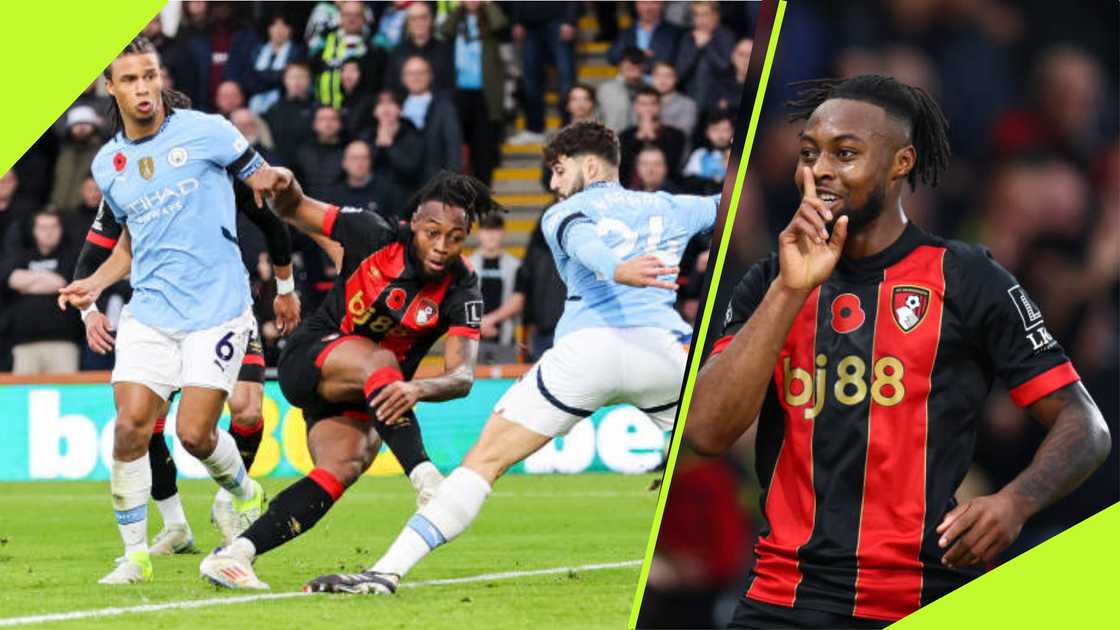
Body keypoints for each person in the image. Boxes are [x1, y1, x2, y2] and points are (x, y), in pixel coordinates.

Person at [683, 75, 1111, 628]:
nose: (820, 171)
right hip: (780, 602)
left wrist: (1015, 502)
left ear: (900, 163)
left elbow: (1085, 425)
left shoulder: (969, 278)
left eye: (846, 153)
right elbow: (705, 432)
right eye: (809, 153)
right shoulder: (769, 281)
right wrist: (791, 289)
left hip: (921, 600)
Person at [303, 120, 718, 595]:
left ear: (587, 165)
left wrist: (616, 268)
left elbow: (586, 242)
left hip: (590, 352)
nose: (554, 184)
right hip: (666, 354)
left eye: (559, 171)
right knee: (723, 462)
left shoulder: (563, 213)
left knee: (483, 463)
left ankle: (385, 572)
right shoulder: (670, 206)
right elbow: (731, 204)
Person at [55, 36, 294, 585]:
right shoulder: (108, 162)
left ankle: (245, 491)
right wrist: (89, 284)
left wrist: (273, 180)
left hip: (217, 308)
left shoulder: (208, 130)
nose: (143, 88)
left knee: (193, 435)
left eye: (150, 76)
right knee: (130, 427)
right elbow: (127, 247)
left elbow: (260, 184)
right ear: (109, 88)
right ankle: (135, 555)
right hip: (151, 311)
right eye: (131, 80)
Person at [199, 170, 499, 590]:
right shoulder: (371, 234)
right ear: (415, 223)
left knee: (342, 468)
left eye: (455, 237)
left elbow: (462, 376)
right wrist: (286, 183)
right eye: (434, 232)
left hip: (371, 393)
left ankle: (236, 555)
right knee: (379, 357)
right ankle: (427, 480)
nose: (442, 246)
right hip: (312, 356)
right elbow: (294, 209)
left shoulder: (463, 287)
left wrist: (418, 388)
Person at [1, 211, 81, 374]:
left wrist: (27, 283)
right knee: (22, 397)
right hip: (24, 344)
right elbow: (11, 279)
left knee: (65, 396)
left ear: (61, 229)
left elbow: (61, 284)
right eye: (43, 227)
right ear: (34, 230)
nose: (49, 232)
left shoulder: (73, 257)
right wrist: (49, 279)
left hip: (63, 343)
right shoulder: (21, 255)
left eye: (53, 227)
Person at [441, 0, 508, 186]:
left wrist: (488, 4)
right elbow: (444, 30)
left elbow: (500, 23)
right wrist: (459, 8)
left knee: (483, 148)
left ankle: (482, 189)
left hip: (484, 93)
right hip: (459, 92)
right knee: (457, 143)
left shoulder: (489, 19)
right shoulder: (458, 20)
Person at [506, 1, 579, 145]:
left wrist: (570, 20)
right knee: (530, 81)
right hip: (528, 25)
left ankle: (568, 128)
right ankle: (535, 129)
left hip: (558, 20)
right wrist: (516, 20)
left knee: (566, 79)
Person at [357, 90, 424, 219]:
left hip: (405, 201)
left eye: (391, 103)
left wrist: (389, 146)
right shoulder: (366, 136)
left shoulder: (413, 136)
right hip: (371, 200)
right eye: (381, 103)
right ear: (374, 111)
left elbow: (411, 169)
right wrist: (378, 146)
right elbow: (360, 168)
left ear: (400, 110)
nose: (386, 107)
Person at [400, 55, 463, 182]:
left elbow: (453, 147)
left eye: (421, 73)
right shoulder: (396, 106)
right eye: (411, 73)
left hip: (435, 182)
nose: (416, 77)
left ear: (430, 76)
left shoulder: (444, 106)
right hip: (401, 184)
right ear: (403, 78)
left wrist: (450, 182)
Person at [469, 214, 520, 362]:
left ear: (503, 233)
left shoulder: (515, 266)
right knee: (473, 385)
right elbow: (460, 301)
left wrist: (489, 320)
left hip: (504, 340)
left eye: (495, 230)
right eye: (486, 230)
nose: (491, 235)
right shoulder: (467, 265)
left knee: (507, 385)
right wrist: (479, 324)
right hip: (473, 341)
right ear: (479, 234)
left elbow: (518, 301)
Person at [619, 86, 687, 186]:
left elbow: (672, 166)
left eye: (653, 104)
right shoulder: (625, 135)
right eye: (643, 104)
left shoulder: (675, 135)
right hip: (629, 190)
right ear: (636, 107)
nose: (648, 108)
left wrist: (653, 137)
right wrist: (638, 138)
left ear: (660, 106)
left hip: (664, 190)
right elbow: (622, 167)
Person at [675, 1, 735, 110]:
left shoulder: (726, 36)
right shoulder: (688, 38)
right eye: (697, 15)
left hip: (718, 103)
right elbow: (680, 73)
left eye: (705, 15)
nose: (701, 20)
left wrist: (707, 45)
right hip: (690, 101)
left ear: (716, 16)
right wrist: (696, 49)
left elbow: (726, 68)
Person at [384, 1, 454, 93]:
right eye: (413, 19)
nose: (419, 22)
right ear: (407, 23)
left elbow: (450, 86)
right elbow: (390, 87)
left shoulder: (446, 51)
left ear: (431, 20)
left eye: (423, 17)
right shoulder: (396, 53)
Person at [245, 14, 307, 115]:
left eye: (284, 26)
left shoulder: (298, 51)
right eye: (275, 25)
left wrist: (264, 78)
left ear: (290, 29)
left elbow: (287, 80)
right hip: (256, 100)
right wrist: (276, 76)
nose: (279, 30)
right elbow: (249, 78)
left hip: (285, 102)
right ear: (268, 29)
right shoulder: (257, 51)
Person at [263, 61, 316, 167]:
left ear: (309, 80)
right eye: (292, 77)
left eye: (301, 77)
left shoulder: (317, 109)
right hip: (280, 166)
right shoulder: (273, 110)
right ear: (285, 80)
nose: (297, 81)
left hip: (311, 166)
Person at [608, 0, 682, 70]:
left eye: (654, 2)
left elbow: (672, 59)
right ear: (636, 4)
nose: (648, 8)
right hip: (632, 81)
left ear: (661, 4)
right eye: (643, 2)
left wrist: (634, 59)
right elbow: (613, 56)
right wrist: (639, 54)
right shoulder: (627, 32)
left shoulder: (673, 33)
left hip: (661, 81)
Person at [296, 106, 346, 197]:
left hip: (338, 206)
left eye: (333, 119)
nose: (328, 123)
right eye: (322, 119)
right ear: (314, 124)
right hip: (308, 205)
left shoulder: (349, 152)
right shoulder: (302, 152)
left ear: (340, 124)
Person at [597, 46, 647, 134]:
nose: (634, 66)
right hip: (613, 142)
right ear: (620, 65)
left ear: (644, 66)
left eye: (637, 63)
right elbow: (596, 120)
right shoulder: (605, 90)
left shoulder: (650, 90)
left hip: (643, 142)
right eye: (630, 64)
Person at [681, 109, 733, 193]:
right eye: (715, 130)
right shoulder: (699, 154)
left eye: (725, 130)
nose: (720, 135)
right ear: (707, 132)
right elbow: (689, 180)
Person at [650, 61, 698, 137]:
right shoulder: (642, 101)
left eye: (667, 76)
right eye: (658, 75)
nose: (662, 80)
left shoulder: (687, 105)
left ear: (675, 79)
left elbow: (684, 133)